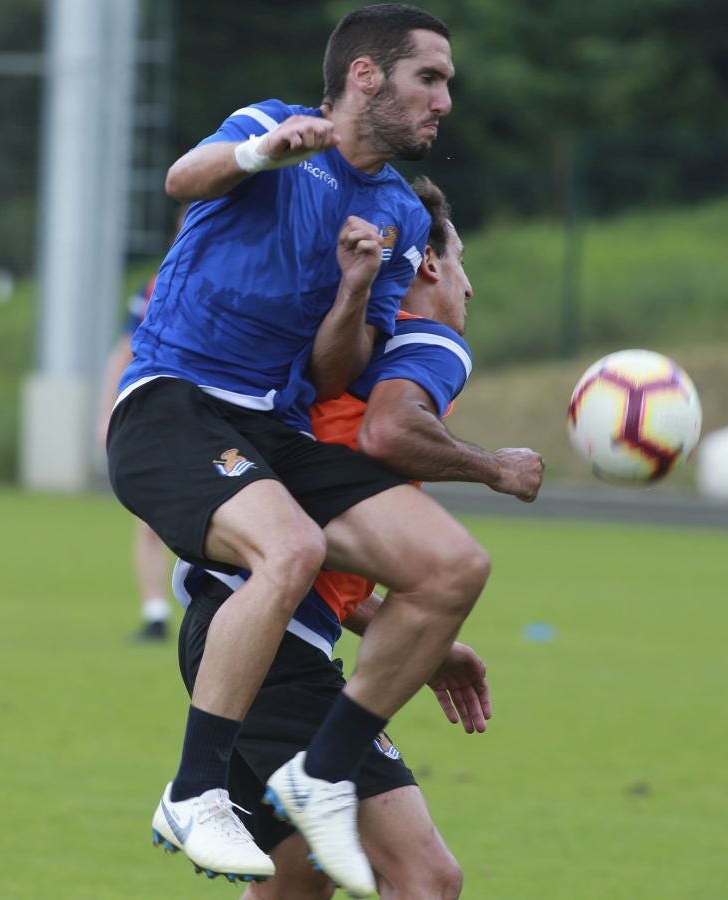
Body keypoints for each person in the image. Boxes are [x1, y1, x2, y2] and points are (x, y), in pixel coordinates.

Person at [106, 6, 484, 894]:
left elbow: (332, 367)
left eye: (447, 84)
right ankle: (193, 792)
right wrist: (263, 153)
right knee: (293, 547)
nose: (444, 102)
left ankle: (319, 775)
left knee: (450, 565)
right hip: (174, 402)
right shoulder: (268, 124)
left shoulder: (394, 213)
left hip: (268, 428)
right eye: (429, 79)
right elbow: (182, 177)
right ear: (365, 76)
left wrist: (355, 287)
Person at [171, 177, 542, 899]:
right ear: (431, 265)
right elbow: (392, 430)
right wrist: (495, 467)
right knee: (426, 878)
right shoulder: (428, 340)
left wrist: (415, 636)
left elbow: (310, 543)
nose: (469, 293)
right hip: (280, 654)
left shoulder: (325, 357)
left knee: (295, 885)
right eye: (464, 267)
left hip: (224, 630)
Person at [96, 208, 187, 642]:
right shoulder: (154, 287)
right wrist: (107, 411)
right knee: (151, 518)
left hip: (212, 416)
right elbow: (123, 352)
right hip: (157, 413)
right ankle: (154, 610)